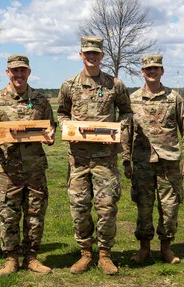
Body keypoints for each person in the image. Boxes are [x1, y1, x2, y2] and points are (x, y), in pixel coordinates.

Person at [57, 36, 132, 275]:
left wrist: (119, 128)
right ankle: (85, 253)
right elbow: (61, 113)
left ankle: (105, 255)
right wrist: (66, 126)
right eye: (87, 53)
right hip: (78, 159)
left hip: (105, 159)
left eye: (95, 53)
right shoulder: (69, 85)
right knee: (79, 208)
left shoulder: (115, 85)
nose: (91, 57)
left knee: (107, 208)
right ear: (81, 55)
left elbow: (127, 112)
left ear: (102, 56)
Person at [0, 55, 55, 276]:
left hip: (34, 169)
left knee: (35, 214)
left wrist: (51, 133)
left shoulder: (40, 100)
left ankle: (31, 258)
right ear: (7, 73)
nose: (18, 75)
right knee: (8, 215)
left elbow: (50, 125)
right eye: (14, 71)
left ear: (29, 72)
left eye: (22, 70)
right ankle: (11, 258)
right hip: (7, 169)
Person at [122, 54, 184, 264]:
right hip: (142, 162)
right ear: (142, 72)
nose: (152, 72)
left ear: (162, 71)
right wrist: (126, 161)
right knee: (143, 206)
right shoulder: (133, 99)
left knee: (170, 206)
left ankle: (166, 248)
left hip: (169, 162)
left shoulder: (174, 98)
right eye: (148, 69)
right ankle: (144, 248)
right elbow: (126, 132)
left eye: (156, 68)